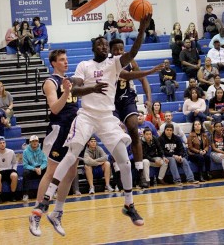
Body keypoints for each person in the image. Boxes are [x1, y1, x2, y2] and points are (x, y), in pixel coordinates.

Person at [32, 14, 152, 230]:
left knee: (124, 161)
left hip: (107, 117)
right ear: (94, 48)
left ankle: (129, 204)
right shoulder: (84, 65)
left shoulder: (115, 63)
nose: (104, 46)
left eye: (106, 43)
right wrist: (92, 88)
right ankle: (47, 199)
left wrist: (142, 29)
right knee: (70, 156)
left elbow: (133, 53)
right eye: (100, 44)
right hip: (86, 115)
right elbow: (74, 90)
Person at [29, 49, 106, 237]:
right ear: (53, 63)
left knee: (71, 173)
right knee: (52, 172)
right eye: (62, 60)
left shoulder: (72, 80)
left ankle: (57, 213)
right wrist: (67, 92)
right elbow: (54, 108)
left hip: (76, 128)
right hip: (59, 129)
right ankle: (36, 214)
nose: (66, 62)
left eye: (66, 59)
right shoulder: (50, 82)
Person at [110, 39, 162, 188]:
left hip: (127, 99)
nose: (119, 52)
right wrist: (150, 70)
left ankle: (140, 173)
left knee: (133, 128)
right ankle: (118, 172)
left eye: (121, 49)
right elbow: (126, 75)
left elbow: (143, 79)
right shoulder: (109, 63)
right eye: (116, 50)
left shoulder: (131, 61)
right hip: (111, 101)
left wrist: (149, 99)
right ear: (111, 51)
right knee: (115, 135)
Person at [0, 136, 18, 203]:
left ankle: (13, 195)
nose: (2, 144)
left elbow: (15, 163)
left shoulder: (11, 152)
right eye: (0, 143)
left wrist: (14, 169)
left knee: (15, 175)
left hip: (9, 171)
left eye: (3, 142)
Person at [22, 135, 48, 202]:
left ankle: (50, 192)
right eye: (33, 141)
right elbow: (25, 165)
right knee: (25, 173)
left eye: (36, 141)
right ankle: (25, 194)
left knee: (48, 170)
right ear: (30, 142)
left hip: (40, 168)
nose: (35, 142)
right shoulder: (25, 151)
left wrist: (41, 168)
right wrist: (34, 169)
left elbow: (45, 162)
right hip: (31, 169)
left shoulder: (42, 150)